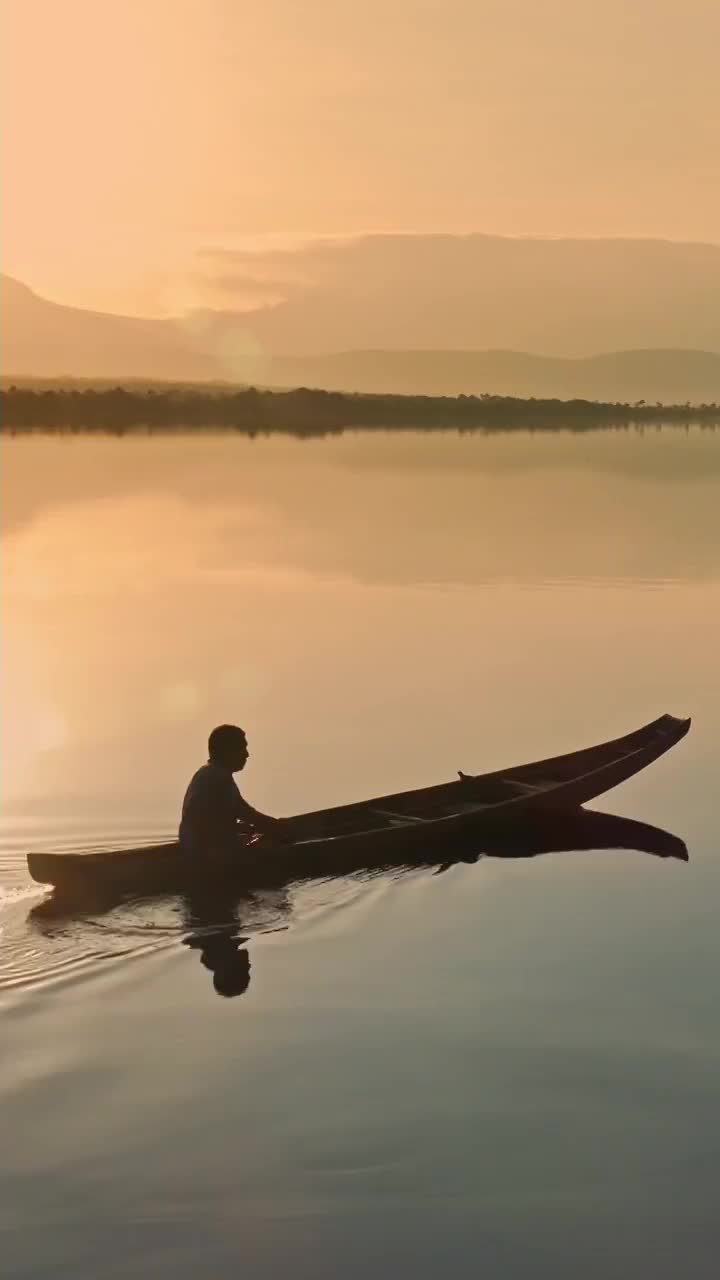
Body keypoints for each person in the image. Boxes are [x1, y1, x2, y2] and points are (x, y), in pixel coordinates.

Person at [179, 724, 281, 857]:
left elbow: (214, 820)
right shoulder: (218, 778)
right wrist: (278, 826)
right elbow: (247, 814)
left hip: (196, 846)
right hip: (209, 854)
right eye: (242, 748)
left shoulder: (207, 773)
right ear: (227, 751)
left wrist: (243, 827)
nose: (247, 754)